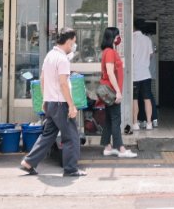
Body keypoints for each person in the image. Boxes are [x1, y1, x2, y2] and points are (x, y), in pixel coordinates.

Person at [20, 29, 87, 177]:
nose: (74, 46)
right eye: (74, 42)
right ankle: (70, 169)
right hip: (60, 104)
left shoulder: (49, 56)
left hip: (51, 102)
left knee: (48, 135)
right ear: (69, 41)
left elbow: (43, 79)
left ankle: (29, 162)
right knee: (71, 136)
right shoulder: (62, 59)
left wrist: (45, 99)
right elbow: (63, 83)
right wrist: (71, 105)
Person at [99, 26, 137, 158]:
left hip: (108, 90)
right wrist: (118, 92)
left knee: (110, 119)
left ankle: (107, 147)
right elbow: (110, 72)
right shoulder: (110, 52)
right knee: (116, 119)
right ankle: (120, 148)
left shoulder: (107, 51)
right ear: (112, 38)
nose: (118, 38)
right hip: (111, 91)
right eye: (116, 36)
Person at [132, 20, 158, 129]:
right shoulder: (147, 39)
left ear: (134, 27)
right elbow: (151, 55)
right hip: (146, 73)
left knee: (135, 99)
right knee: (147, 98)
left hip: (134, 74)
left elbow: (131, 55)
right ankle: (149, 123)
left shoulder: (132, 39)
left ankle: (135, 123)